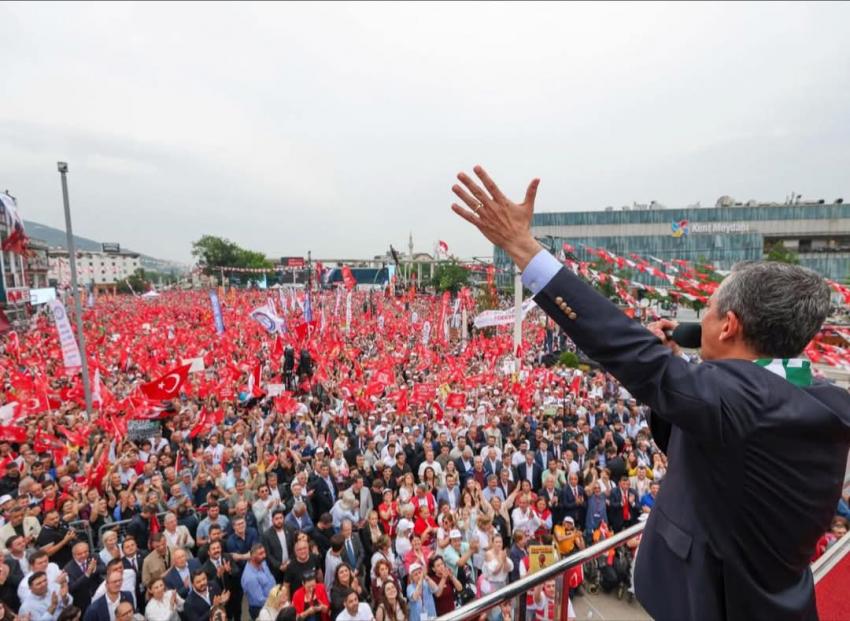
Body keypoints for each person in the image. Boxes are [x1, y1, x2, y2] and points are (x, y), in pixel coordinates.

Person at [450, 164, 850, 621]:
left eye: (707, 309)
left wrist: (523, 247)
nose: (700, 318)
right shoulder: (822, 399)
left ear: (729, 325)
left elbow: (626, 350)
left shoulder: (737, 399)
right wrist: (683, 367)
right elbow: (717, 448)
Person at [242, 543, 277, 620]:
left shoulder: (262, 563)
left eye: (264, 552)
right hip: (261, 609)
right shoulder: (250, 577)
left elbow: (271, 578)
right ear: (252, 556)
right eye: (260, 554)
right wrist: (276, 601)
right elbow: (259, 600)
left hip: (272, 602)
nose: (264, 556)